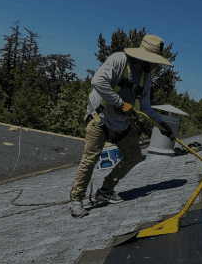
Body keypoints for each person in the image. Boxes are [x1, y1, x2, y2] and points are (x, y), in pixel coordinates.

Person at [69, 34, 174, 218]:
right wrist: (119, 103)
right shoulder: (119, 60)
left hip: (120, 123)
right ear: (144, 57)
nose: (155, 66)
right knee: (90, 159)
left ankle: (105, 190)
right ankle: (76, 200)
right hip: (99, 118)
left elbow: (146, 107)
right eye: (154, 62)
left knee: (134, 155)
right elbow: (97, 81)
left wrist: (162, 124)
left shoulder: (145, 78)